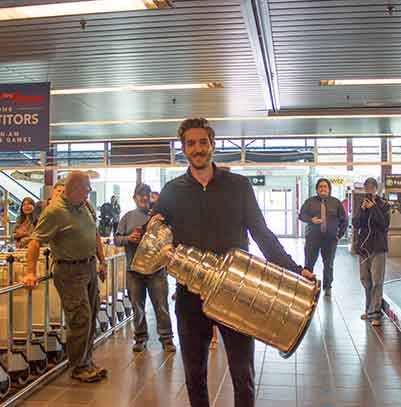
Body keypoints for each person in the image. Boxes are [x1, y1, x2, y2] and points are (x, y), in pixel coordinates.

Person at [150, 118, 315, 407]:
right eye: (191, 143)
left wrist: (294, 269)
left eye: (203, 142)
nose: (198, 148)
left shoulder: (238, 185)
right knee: (194, 374)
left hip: (237, 291)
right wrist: (150, 229)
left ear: (212, 145)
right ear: (183, 149)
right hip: (190, 295)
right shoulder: (171, 192)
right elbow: (159, 238)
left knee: (243, 374)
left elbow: (262, 233)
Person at [22, 171, 107, 383]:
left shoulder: (85, 206)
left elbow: (94, 234)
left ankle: (86, 360)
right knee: (80, 318)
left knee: (92, 313)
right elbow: (35, 241)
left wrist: (102, 260)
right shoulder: (55, 211)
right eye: (86, 188)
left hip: (89, 267)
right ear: (75, 187)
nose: (89, 192)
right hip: (69, 271)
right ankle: (79, 366)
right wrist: (30, 271)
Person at [115, 183, 175, 353]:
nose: (143, 197)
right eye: (140, 195)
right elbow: (117, 239)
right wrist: (128, 238)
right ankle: (140, 338)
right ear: (134, 198)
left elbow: (170, 237)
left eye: (146, 194)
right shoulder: (127, 217)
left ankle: (167, 339)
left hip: (157, 270)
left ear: (150, 197)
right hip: (134, 271)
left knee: (161, 305)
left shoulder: (159, 216)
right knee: (137, 306)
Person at [299, 178, 347, 296]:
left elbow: (344, 220)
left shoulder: (336, 203)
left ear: (329, 189)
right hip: (312, 239)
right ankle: (308, 285)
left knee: (328, 264)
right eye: (320, 187)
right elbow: (301, 215)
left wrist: (339, 235)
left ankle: (327, 287)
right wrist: (311, 220)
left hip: (330, 240)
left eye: (325, 187)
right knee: (309, 263)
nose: (323, 189)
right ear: (317, 189)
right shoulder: (309, 202)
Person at [352, 177, 390, 327]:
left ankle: (376, 313)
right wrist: (362, 210)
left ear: (376, 189)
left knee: (377, 281)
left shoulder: (384, 204)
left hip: (378, 247)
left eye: (371, 187)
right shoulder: (361, 204)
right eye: (366, 187)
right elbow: (355, 223)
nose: (369, 190)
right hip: (364, 247)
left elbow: (384, 224)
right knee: (365, 279)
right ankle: (368, 310)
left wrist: (373, 208)